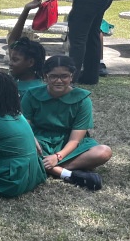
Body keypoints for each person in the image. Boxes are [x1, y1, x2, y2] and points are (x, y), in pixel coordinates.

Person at [21, 55, 112, 190]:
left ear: (71, 76)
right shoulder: (31, 94)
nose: (59, 81)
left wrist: (57, 157)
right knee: (18, 148)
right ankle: (66, 173)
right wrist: (32, 140)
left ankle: (46, 167)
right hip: (39, 141)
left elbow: (75, 140)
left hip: (68, 143)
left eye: (64, 76)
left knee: (104, 152)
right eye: (53, 76)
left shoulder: (82, 99)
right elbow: (24, 126)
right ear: (45, 76)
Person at [6, 0, 48, 98]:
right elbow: (12, 40)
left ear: (30, 62)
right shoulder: (16, 80)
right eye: (11, 59)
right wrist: (26, 10)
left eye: (15, 60)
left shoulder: (36, 91)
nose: (10, 63)